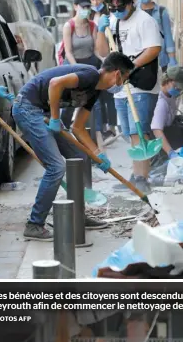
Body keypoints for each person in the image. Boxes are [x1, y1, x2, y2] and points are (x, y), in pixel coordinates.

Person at [11, 53, 132, 240]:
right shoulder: (90, 75)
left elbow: (78, 128)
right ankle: (34, 224)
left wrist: (98, 154)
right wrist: (55, 118)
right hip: (28, 108)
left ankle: (78, 215)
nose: (122, 84)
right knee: (56, 167)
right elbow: (55, 84)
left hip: (43, 112)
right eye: (124, 79)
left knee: (80, 157)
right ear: (117, 74)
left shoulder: (95, 92)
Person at [96, 0, 162, 195]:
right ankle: (137, 173)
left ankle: (142, 177)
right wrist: (100, 30)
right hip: (122, 87)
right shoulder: (113, 22)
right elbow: (103, 51)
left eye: (120, 7)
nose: (117, 11)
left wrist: (131, 68)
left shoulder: (145, 21)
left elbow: (154, 49)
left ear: (132, 1)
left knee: (138, 132)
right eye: (112, 8)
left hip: (141, 85)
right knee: (127, 132)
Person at [60, 0, 102, 134]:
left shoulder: (92, 26)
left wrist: (104, 60)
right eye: (83, 7)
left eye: (88, 7)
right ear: (75, 7)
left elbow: (95, 49)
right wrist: (77, 69)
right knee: (70, 102)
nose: (86, 9)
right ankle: (63, 132)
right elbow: (69, 52)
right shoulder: (69, 26)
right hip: (72, 66)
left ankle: (96, 134)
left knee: (93, 102)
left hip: (89, 65)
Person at [89, 0, 119, 141]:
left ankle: (113, 126)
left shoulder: (110, 15)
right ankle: (101, 128)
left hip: (108, 58)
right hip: (95, 59)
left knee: (110, 95)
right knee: (99, 95)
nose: (95, 2)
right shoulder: (89, 14)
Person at [150, 66, 183, 159]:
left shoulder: (170, 95)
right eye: (176, 87)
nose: (178, 90)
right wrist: (170, 152)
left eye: (179, 88)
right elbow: (156, 130)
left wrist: (178, 118)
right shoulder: (161, 102)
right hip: (157, 137)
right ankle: (163, 154)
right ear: (167, 81)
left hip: (167, 128)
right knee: (182, 134)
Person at [136, 0, 177, 71]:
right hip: (139, 57)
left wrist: (172, 59)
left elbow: (168, 35)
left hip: (160, 57)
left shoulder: (161, 11)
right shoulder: (134, 12)